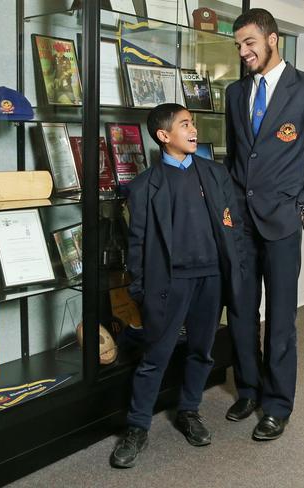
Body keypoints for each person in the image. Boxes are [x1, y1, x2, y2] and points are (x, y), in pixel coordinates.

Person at [110, 104, 245, 468]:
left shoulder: (216, 175)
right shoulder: (144, 187)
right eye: (185, 124)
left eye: (193, 123)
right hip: (170, 283)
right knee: (155, 356)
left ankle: (189, 411)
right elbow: (136, 246)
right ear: (164, 136)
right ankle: (137, 428)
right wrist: (140, 291)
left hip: (211, 279)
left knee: (202, 350)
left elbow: (234, 229)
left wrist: (237, 271)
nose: (193, 129)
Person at [223, 8, 304, 440]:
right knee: (241, 309)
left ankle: (277, 404)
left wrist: (301, 208)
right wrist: (229, 210)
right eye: (238, 45)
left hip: (283, 222)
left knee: (282, 316)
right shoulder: (236, 92)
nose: (244, 51)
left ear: (273, 39)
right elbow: (236, 158)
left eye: (249, 42)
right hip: (242, 224)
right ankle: (248, 389)